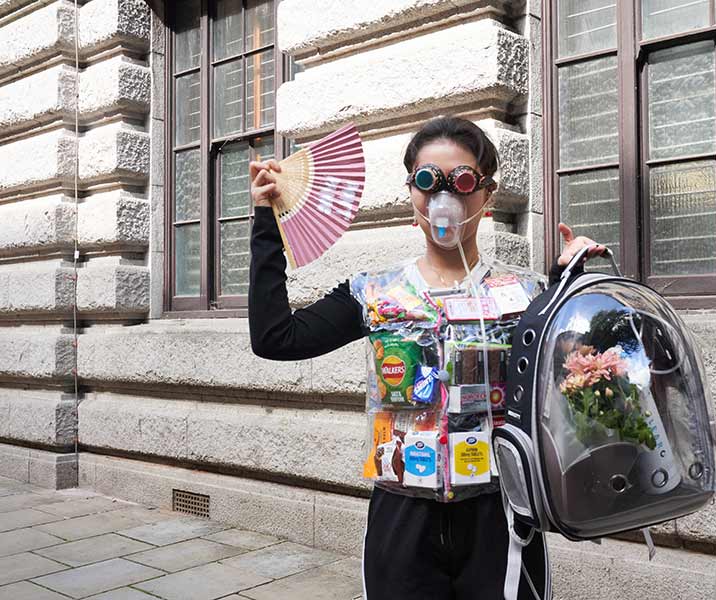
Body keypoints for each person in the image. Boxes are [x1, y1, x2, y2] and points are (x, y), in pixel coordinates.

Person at [248, 116, 605, 600]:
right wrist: (266, 223)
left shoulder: (524, 294)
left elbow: (580, 374)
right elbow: (274, 337)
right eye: (427, 181)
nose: (444, 199)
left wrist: (572, 285)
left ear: (487, 195)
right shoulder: (373, 293)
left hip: (499, 516)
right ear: (411, 196)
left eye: (461, 182)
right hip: (403, 516)